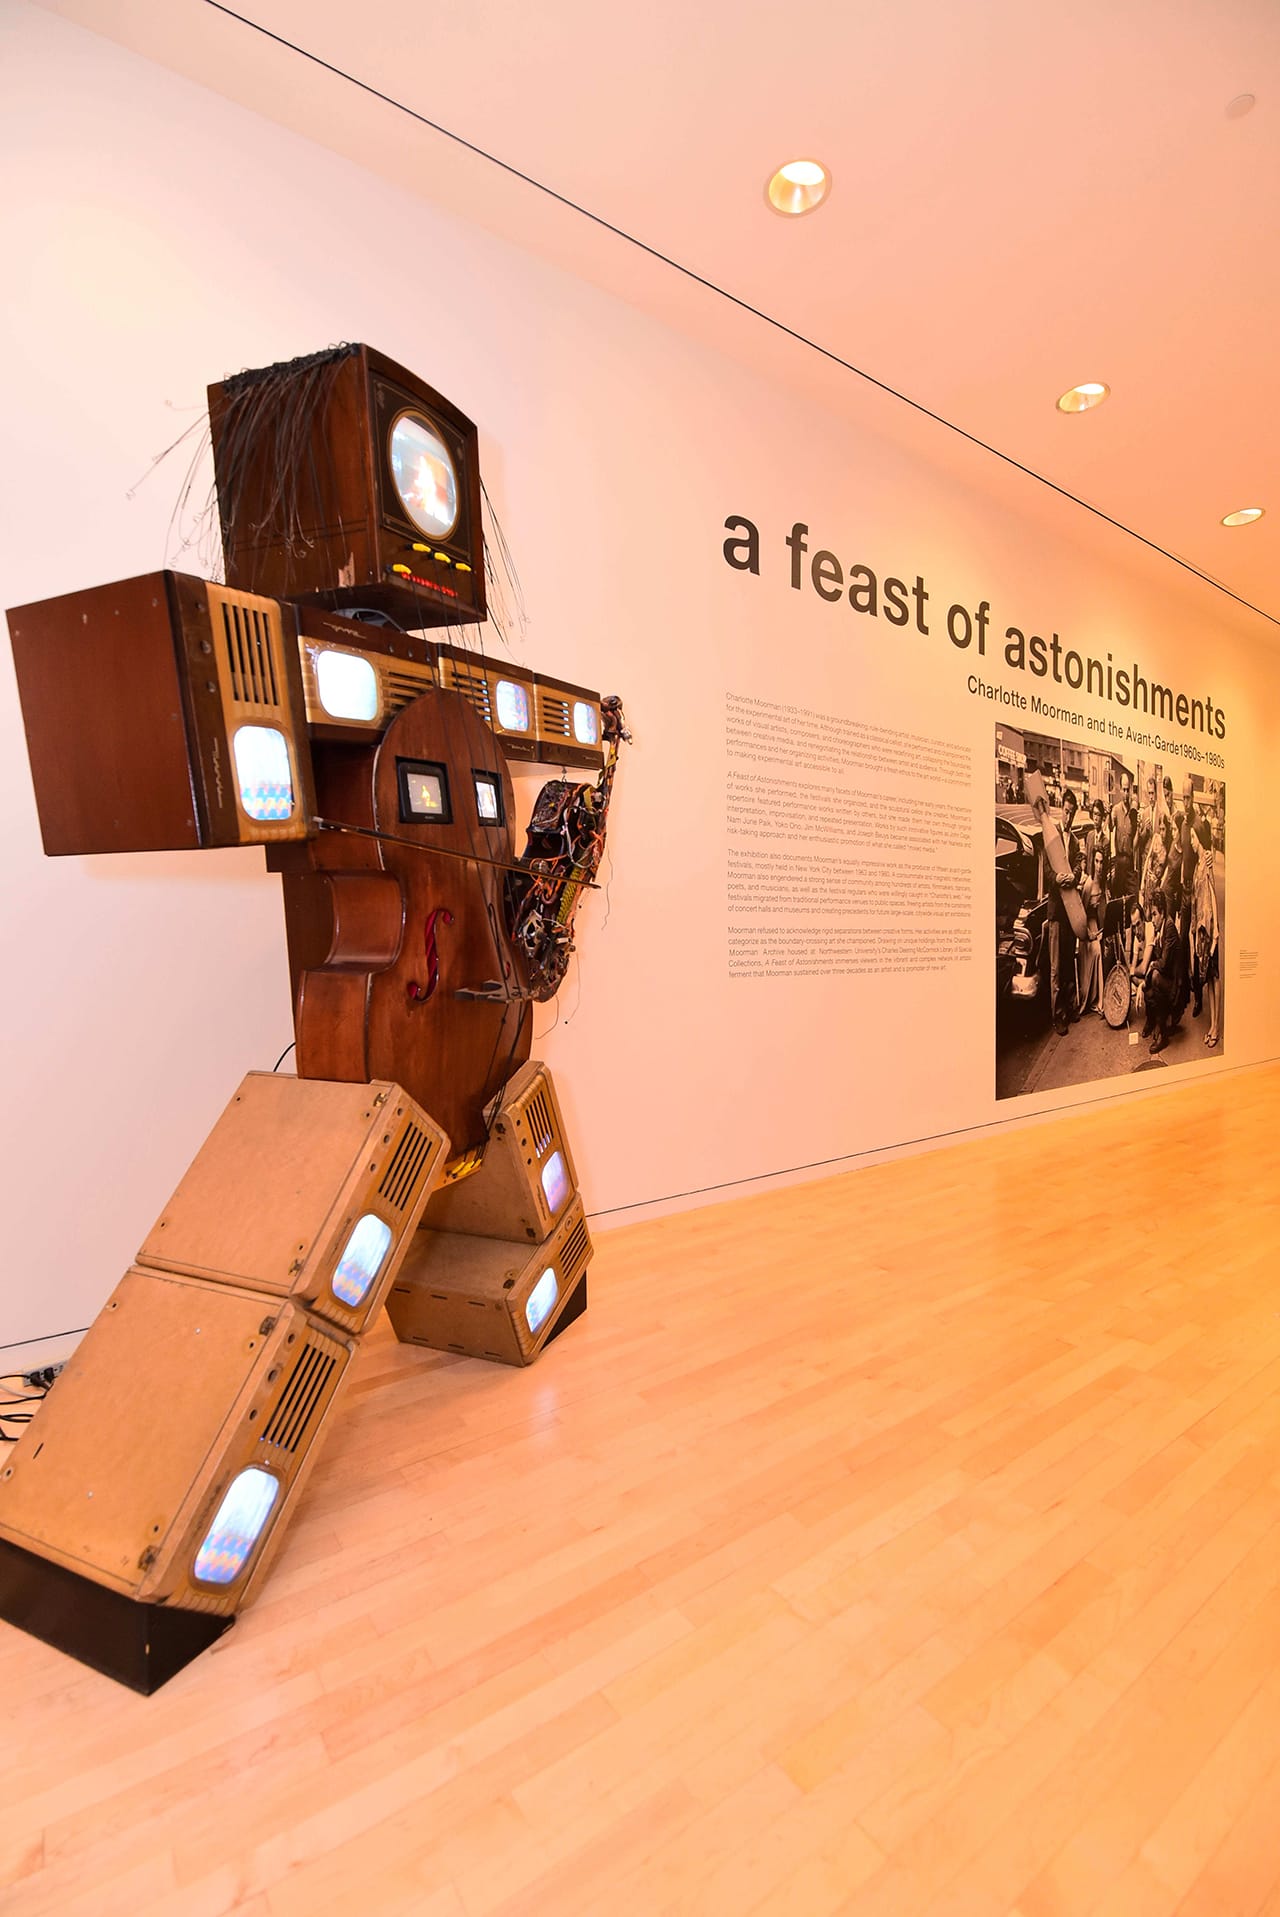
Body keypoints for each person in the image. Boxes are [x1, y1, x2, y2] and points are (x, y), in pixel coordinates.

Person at [1043, 787, 1082, 1036]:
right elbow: (1046, 871)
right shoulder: (1051, 836)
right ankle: (1058, 1015)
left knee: (1067, 962)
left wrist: (1074, 876)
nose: (1068, 817)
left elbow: (1078, 867)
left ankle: (1069, 1007)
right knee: (1056, 967)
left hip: (1071, 913)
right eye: (1066, 812)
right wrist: (1058, 878)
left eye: (1071, 813)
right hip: (1057, 912)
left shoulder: (1075, 841)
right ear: (1061, 811)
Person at [1190, 813, 1221, 1048]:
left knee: (1215, 977)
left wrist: (1217, 930)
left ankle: (1216, 1028)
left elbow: (1212, 894)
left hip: (1210, 931)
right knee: (1209, 978)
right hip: (1202, 933)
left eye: (1193, 837)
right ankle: (1212, 1025)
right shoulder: (1197, 864)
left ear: (1199, 838)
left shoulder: (1207, 863)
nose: (1190, 841)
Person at [1143, 888, 1181, 1054]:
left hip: (1177, 988)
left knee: (1155, 976)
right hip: (1169, 978)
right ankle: (1155, 1022)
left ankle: (1162, 1034)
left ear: (1163, 913)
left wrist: (1152, 967)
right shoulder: (1161, 927)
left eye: (1154, 914)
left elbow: (1164, 964)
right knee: (1148, 986)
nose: (1152, 919)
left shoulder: (1170, 927)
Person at [1077, 845, 1107, 1015]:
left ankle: (1101, 998)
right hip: (1087, 926)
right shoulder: (1088, 884)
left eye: (1102, 862)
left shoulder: (1103, 882)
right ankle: (1092, 999)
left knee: (1103, 949)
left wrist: (1103, 930)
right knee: (1096, 951)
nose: (1099, 865)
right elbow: (1081, 912)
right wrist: (1088, 932)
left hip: (1097, 923)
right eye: (1096, 861)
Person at [1109, 771, 1137, 898]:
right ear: (1120, 789)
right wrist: (1109, 816)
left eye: (1128, 790)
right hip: (1119, 862)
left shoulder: (1134, 811)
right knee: (1118, 898)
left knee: (1133, 898)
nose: (1126, 794)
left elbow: (1137, 836)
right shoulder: (1115, 810)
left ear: (1131, 790)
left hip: (1130, 862)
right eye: (1124, 790)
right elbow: (1108, 829)